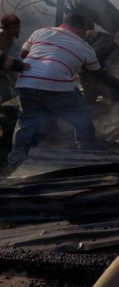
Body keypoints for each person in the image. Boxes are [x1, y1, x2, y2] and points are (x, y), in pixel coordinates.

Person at [7, 12, 102, 170]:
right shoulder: (85, 47)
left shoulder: (41, 31)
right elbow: (96, 71)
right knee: (82, 115)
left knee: (27, 122)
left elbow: (24, 53)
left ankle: (14, 162)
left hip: (26, 82)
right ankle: (86, 152)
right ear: (82, 28)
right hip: (56, 86)